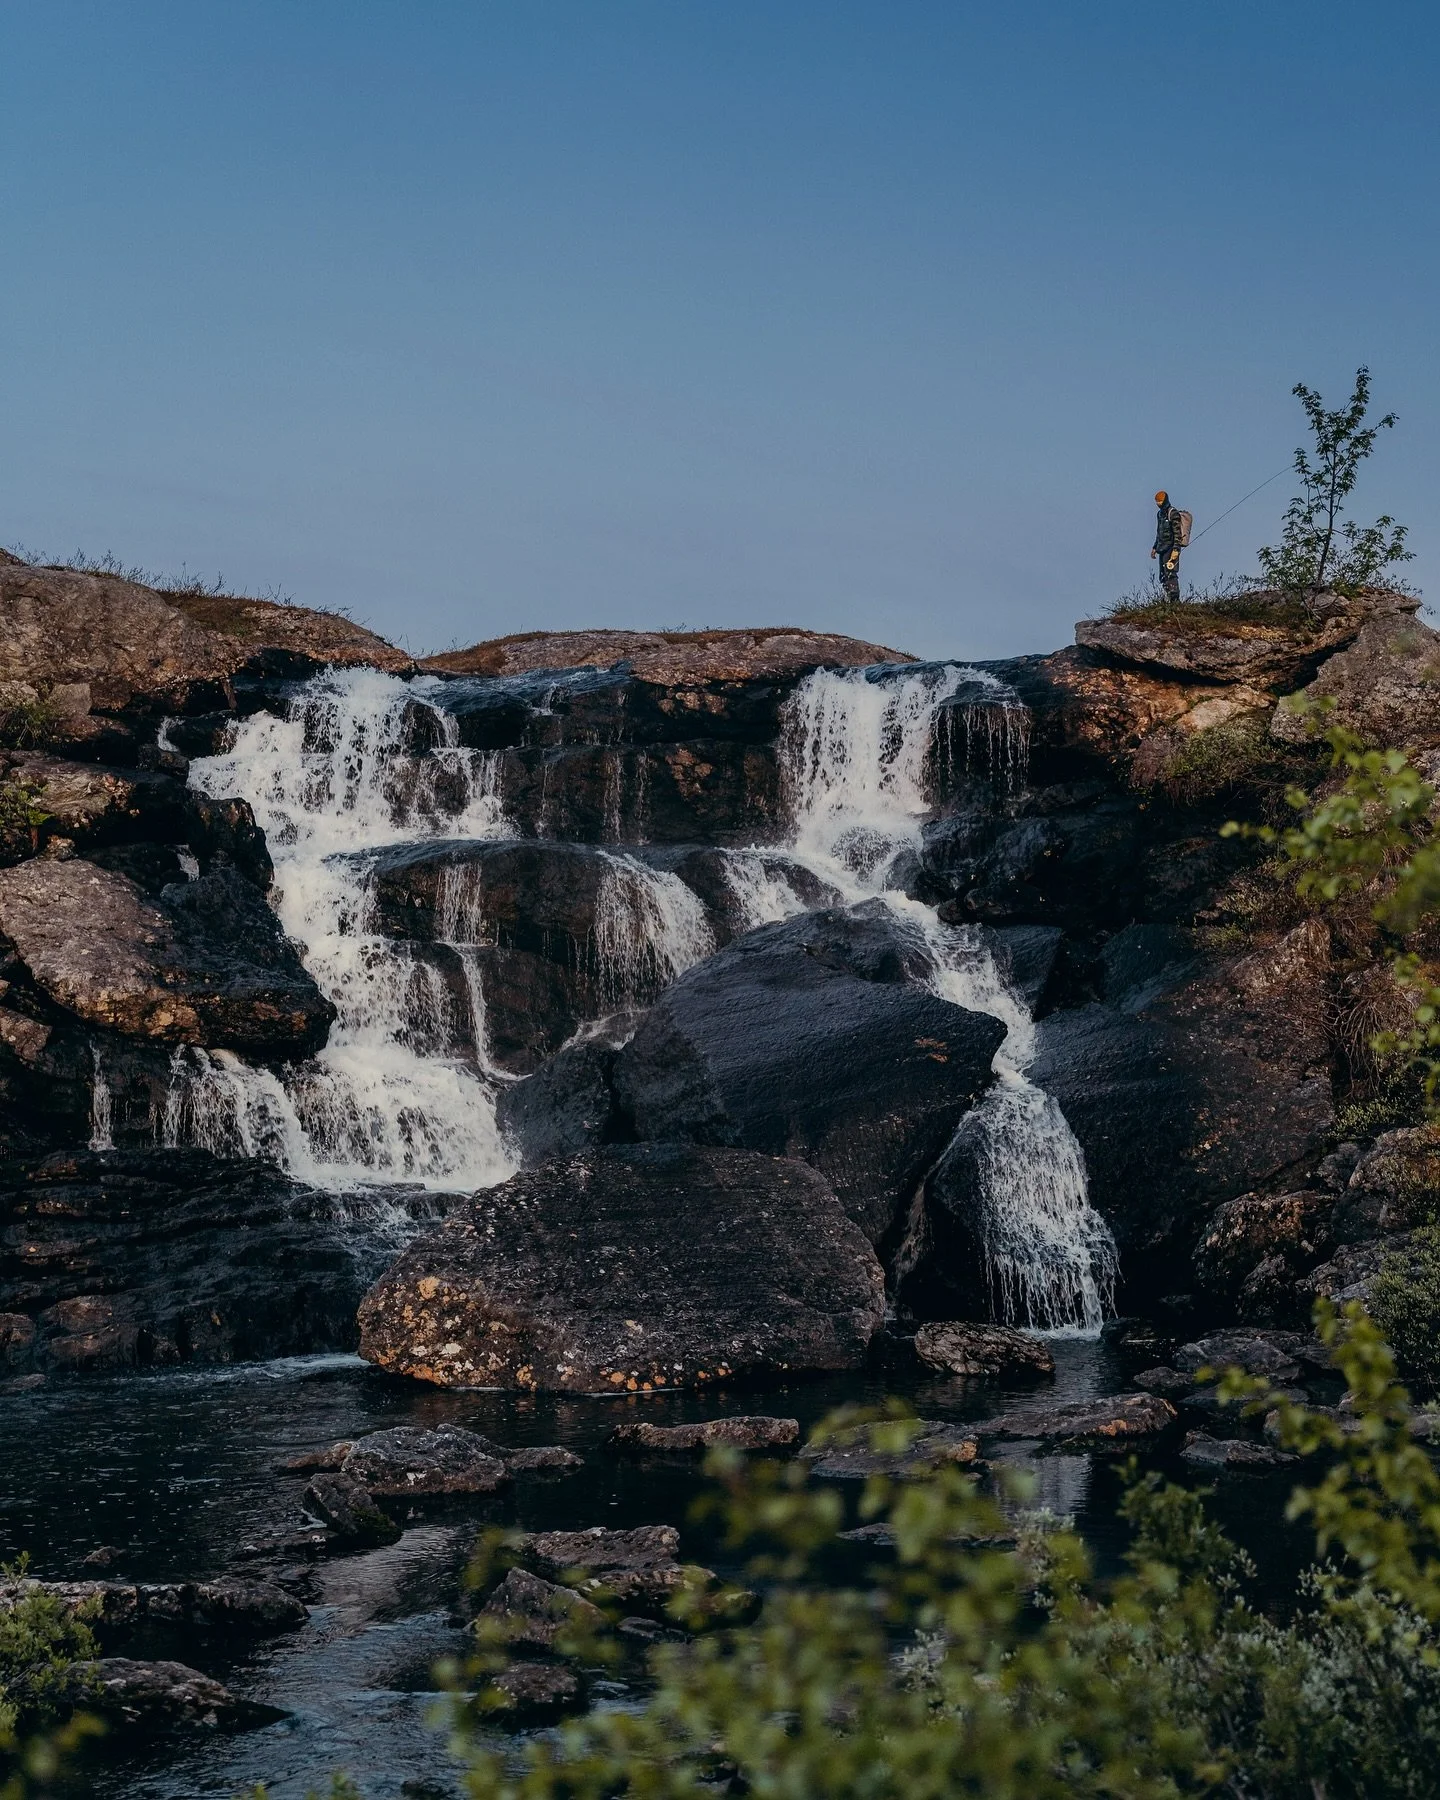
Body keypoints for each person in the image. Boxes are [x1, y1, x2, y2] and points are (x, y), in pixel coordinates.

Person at [1151, 490, 1182, 602]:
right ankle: (1167, 599)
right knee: (1163, 575)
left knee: (1170, 573)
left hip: (1171, 548)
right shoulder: (1159, 514)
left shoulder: (1172, 513)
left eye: (1160, 501)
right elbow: (1159, 532)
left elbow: (1177, 533)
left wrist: (1176, 549)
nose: (1158, 504)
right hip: (1161, 548)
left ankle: (1175, 600)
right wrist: (1155, 547)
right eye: (1157, 502)